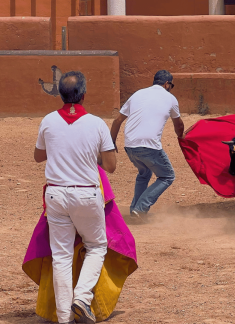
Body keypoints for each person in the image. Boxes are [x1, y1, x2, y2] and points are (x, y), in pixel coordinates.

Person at [34, 71, 116, 324]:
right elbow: (110, 166)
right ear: (84, 95)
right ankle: (81, 296)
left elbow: (38, 156)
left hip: (56, 194)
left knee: (61, 256)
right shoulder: (97, 123)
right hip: (86, 193)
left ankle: (63, 317)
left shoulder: (48, 121)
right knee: (96, 246)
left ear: (59, 94)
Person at [111, 70, 184, 218]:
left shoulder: (137, 94)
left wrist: (111, 142)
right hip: (149, 146)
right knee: (167, 176)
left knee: (144, 173)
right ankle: (141, 208)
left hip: (130, 146)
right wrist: (181, 137)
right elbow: (179, 125)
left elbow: (117, 121)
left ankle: (135, 210)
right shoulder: (170, 98)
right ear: (167, 84)